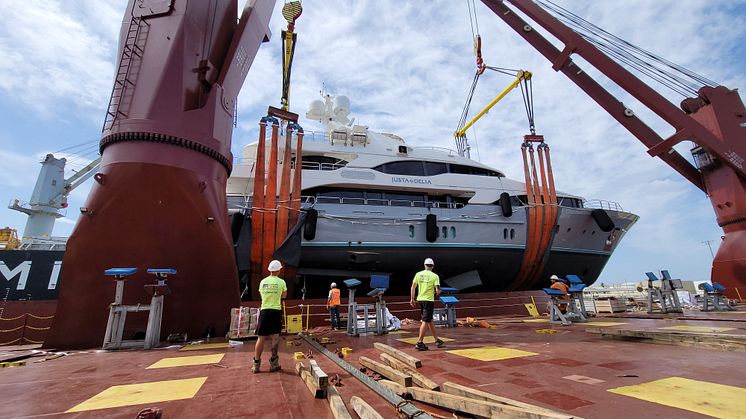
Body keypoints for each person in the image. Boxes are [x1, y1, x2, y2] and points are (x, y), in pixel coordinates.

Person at [252, 260, 287, 373]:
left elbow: (261, 293)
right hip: (275, 311)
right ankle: (273, 363)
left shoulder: (263, 282)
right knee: (275, 337)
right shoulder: (281, 282)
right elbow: (284, 295)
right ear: (278, 270)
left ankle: (256, 365)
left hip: (264, 310)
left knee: (261, 337)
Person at [410, 257, 444, 351]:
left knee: (429, 320)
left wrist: (412, 299)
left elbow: (413, 287)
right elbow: (438, 290)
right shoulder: (435, 276)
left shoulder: (418, 274)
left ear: (424, 265)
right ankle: (419, 342)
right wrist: (436, 293)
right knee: (425, 321)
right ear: (432, 266)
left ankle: (437, 340)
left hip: (420, 299)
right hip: (428, 300)